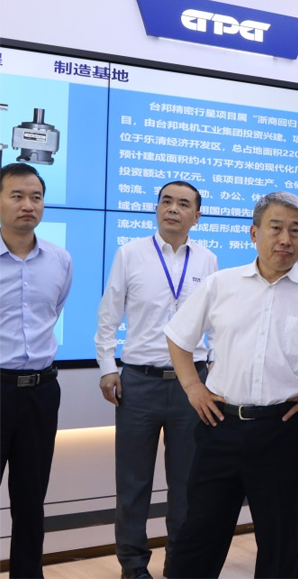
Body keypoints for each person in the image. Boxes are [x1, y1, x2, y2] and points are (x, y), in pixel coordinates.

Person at [163, 192, 298, 579]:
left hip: (285, 431)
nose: (285, 239)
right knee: (199, 537)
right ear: (254, 233)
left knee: (279, 544)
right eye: (276, 228)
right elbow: (179, 337)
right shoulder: (221, 284)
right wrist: (193, 387)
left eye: (295, 230)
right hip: (221, 426)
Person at [95, 181, 218, 579]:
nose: (173, 209)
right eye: (166, 201)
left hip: (192, 386)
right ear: (156, 208)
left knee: (187, 483)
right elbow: (108, 315)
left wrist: (215, 372)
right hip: (139, 383)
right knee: (133, 483)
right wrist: (107, 366)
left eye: (183, 204)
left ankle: (179, 563)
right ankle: (133, 564)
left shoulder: (208, 260)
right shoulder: (130, 253)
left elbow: (216, 323)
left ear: (196, 216)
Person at [0, 162, 73, 578]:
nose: (28, 205)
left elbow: (53, 311)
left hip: (42, 391)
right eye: (17, 196)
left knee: (31, 498)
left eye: (36, 197)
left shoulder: (59, 260)